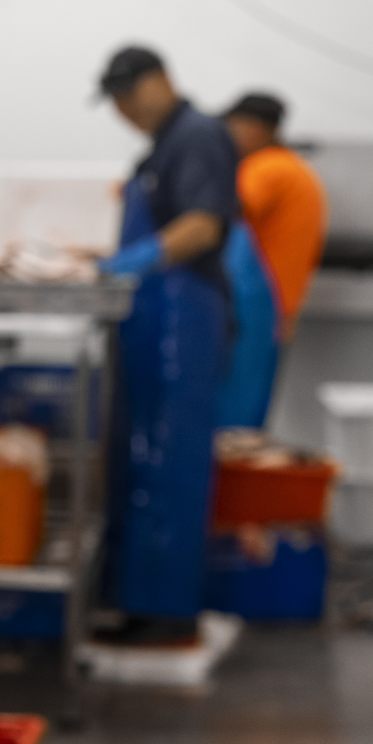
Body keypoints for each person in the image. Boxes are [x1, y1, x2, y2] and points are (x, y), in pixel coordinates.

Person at [95, 45, 240, 645]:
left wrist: (138, 258)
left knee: (170, 460)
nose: (124, 109)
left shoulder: (198, 135)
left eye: (130, 93)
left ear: (161, 80)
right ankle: (136, 599)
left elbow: (203, 223)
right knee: (139, 455)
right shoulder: (162, 145)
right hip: (152, 314)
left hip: (184, 313)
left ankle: (166, 609)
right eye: (115, 100)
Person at [224, 92, 327, 343]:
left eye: (230, 128)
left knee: (240, 381)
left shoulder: (265, 169)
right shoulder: (295, 169)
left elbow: (224, 211)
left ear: (254, 129)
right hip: (279, 309)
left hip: (252, 308)